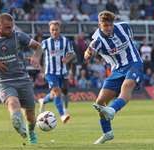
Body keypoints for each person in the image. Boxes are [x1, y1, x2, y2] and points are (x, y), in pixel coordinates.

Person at [84, 11, 144, 144]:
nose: (109, 28)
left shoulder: (124, 27)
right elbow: (87, 56)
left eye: (111, 25)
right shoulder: (97, 41)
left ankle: (112, 109)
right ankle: (107, 133)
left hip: (134, 63)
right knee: (100, 103)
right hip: (117, 70)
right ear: (100, 25)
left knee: (126, 87)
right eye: (105, 26)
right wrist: (88, 53)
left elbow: (130, 39)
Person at [0, 13, 43, 143]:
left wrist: (36, 57)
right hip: (4, 81)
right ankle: (18, 124)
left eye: (12, 27)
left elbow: (38, 47)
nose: (11, 30)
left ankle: (31, 131)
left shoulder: (18, 36)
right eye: (7, 27)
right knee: (13, 103)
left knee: (31, 117)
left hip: (23, 79)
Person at [39, 20, 74, 123]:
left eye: (56, 29)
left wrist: (67, 60)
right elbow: (39, 53)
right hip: (50, 72)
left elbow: (71, 53)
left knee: (54, 94)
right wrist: (39, 66)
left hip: (62, 71)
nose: (54, 32)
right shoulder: (46, 42)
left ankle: (43, 101)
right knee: (58, 91)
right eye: (52, 30)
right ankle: (62, 115)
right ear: (49, 31)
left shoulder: (66, 41)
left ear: (59, 29)